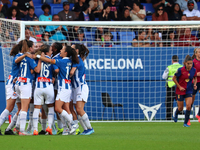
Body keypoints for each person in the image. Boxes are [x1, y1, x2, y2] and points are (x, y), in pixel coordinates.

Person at [36, 45, 79, 134]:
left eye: (62, 50)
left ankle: (73, 124)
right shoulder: (69, 61)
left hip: (63, 88)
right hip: (67, 87)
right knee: (66, 108)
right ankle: (68, 129)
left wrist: (38, 56)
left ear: (66, 53)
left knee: (57, 108)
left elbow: (49, 60)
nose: (60, 51)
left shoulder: (61, 61)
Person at [14, 40, 41, 135]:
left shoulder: (20, 56)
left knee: (21, 108)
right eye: (33, 46)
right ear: (30, 48)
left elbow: (16, 62)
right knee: (25, 109)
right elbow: (37, 70)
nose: (34, 48)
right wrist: (40, 60)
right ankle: (21, 130)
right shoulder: (30, 59)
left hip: (18, 83)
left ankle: (16, 128)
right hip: (26, 84)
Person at [32, 45, 59, 135]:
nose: (52, 52)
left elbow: (35, 70)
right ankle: (49, 127)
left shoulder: (37, 59)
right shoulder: (52, 61)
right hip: (48, 86)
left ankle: (35, 129)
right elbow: (56, 71)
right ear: (47, 52)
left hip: (38, 86)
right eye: (51, 50)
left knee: (37, 108)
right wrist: (53, 76)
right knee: (51, 107)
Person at [0, 42, 24, 135]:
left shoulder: (22, 56)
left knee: (21, 108)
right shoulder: (19, 56)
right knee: (9, 107)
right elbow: (16, 61)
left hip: (17, 83)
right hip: (12, 84)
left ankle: (9, 129)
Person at [70, 44, 94, 135]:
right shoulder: (76, 59)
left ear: (76, 51)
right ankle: (85, 129)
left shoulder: (77, 59)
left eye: (72, 48)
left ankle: (90, 128)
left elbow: (72, 73)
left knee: (79, 109)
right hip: (76, 88)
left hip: (81, 87)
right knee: (77, 109)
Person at [173, 55, 197, 127]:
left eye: (191, 63)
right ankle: (176, 113)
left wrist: (195, 84)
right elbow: (174, 78)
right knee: (180, 108)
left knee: (189, 106)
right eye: (188, 63)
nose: (190, 65)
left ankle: (185, 123)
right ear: (185, 63)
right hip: (180, 91)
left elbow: (195, 77)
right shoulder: (180, 70)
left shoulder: (194, 70)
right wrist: (179, 87)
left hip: (189, 90)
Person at [162, 55, 182, 120]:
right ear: (178, 60)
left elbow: (164, 77)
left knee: (169, 103)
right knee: (179, 101)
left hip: (170, 87)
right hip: (179, 87)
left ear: (172, 60)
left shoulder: (169, 67)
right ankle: (181, 116)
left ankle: (168, 118)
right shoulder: (182, 67)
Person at [191, 48, 200, 122]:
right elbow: (191, 73)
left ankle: (199, 114)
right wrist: (197, 74)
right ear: (196, 54)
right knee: (191, 100)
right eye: (199, 52)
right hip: (195, 82)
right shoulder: (193, 62)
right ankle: (187, 117)